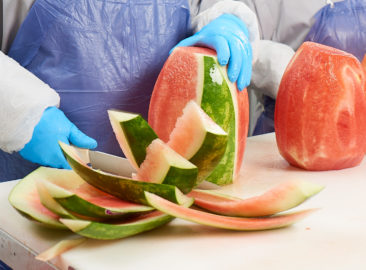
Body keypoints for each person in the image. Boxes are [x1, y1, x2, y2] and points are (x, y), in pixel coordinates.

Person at [0, 0, 258, 181]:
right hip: (34, 180)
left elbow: (202, 7)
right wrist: (19, 111)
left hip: (161, 184)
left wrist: (227, 20)